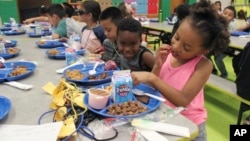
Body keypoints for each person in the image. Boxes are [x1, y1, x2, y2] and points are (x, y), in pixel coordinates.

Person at [131, 1, 230, 140]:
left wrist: (152, 77)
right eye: (176, 37)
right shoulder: (170, 54)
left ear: (203, 51)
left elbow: (182, 101)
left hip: (190, 126)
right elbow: (153, 85)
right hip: (167, 116)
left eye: (187, 48)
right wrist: (158, 65)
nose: (177, 47)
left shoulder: (203, 65)